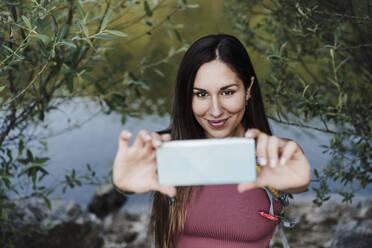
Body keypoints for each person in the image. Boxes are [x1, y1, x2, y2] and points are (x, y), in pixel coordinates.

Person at [112, 34, 311, 248]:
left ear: (248, 88)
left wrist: (301, 183)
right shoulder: (166, 153)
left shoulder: (274, 155)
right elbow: (133, 185)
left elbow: (298, 182)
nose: (215, 111)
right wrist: (122, 187)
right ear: (186, 96)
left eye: (227, 92)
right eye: (201, 94)